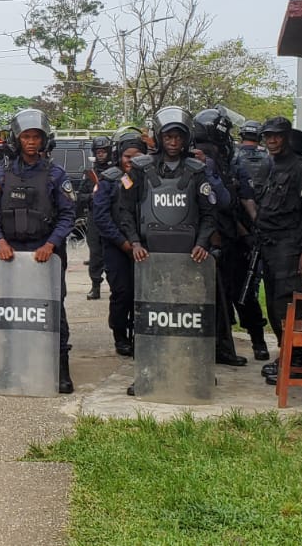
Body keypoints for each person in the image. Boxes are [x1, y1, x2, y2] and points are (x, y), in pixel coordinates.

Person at [113, 108, 224, 392]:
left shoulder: (198, 171)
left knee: (189, 317)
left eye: (178, 136)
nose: (173, 142)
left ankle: (197, 370)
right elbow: (124, 210)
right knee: (150, 318)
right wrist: (134, 242)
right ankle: (148, 373)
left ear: (186, 139)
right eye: (168, 136)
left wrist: (202, 243)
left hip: (188, 259)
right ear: (160, 137)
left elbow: (210, 214)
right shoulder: (139, 168)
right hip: (150, 258)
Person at [0, 109, 77, 393]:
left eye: (37, 137)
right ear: (17, 139)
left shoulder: (56, 174)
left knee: (51, 310)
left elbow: (68, 215)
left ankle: (59, 366)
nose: (32, 142)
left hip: (45, 253)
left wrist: (50, 244)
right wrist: (0, 241)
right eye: (26, 136)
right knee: (9, 309)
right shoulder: (2, 173)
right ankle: (8, 364)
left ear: (44, 140)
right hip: (10, 254)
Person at [251, 117, 302, 385]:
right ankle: (287, 354)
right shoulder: (268, 165)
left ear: (286, 137)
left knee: (289, 306)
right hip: (269, 245)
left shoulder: (301, 169)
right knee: (273, 303)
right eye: (267, 136)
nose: (271, 141)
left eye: (276, 136)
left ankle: (296, 359)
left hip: (291, 246)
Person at [191, 109, 255, 367]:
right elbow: (223, 199)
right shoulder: (207, 158)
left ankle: (216, 348)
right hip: (213, 238)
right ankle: (219, 349)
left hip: (211, 236)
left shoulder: (208, 153)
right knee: (217, 297)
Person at [93, 129, 144, 356]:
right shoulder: (109, 179)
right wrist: (124, 243)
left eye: (137, 156)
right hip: (117, 247)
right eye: (127, 157)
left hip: (144, 247)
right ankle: (120, 336)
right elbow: (101, 217)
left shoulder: (150, 177)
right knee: (122, 293)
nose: (131, 161)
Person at [82, 135, 113, 300]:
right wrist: (91, 197)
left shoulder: (117, 172)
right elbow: (78, 197)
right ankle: (95, 286)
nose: (101, 155)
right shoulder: (89, 173)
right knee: (95, 254)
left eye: (103, 151)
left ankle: (115, 286)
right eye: (98, 152)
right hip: (94, 218)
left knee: (113, 255)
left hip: (111, 217)